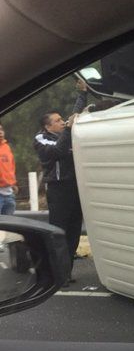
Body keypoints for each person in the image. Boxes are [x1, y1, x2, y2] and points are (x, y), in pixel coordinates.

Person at [33, 96, 82, 283]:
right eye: (58, 121)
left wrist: (82, 95)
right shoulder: (41, 139)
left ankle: (66, 273)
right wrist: (68, 128)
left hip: (75, 188)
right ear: (47, 126)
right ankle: (57, 275)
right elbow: (58, 151)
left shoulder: (67, 136)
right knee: (59, 233)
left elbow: (75, 116)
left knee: (74, 232)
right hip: (58, 189)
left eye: (63, 119)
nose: (62, 122)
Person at [0, 122, 18, 216]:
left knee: (8, 223)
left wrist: (13, 183)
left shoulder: (6, 147)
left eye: (1, 129)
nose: (0, 132)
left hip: (9, 194)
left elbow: (11, 166)